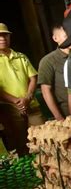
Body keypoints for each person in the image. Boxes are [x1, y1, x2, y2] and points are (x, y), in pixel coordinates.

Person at [0, 23, 44, 155]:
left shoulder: (20, 56)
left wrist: (28, 97)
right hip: (10, 108)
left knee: (42, 137)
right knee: (20, 143)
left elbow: (33, 78)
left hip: (31, 103)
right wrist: (16, 101)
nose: (2, 38)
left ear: (9, 37)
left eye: (5, 35)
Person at [38, 25, 71, 120]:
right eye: (66, 36)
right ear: (55, 38)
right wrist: (59, 117)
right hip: (67, 114)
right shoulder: (48, 61)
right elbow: (46, 91)